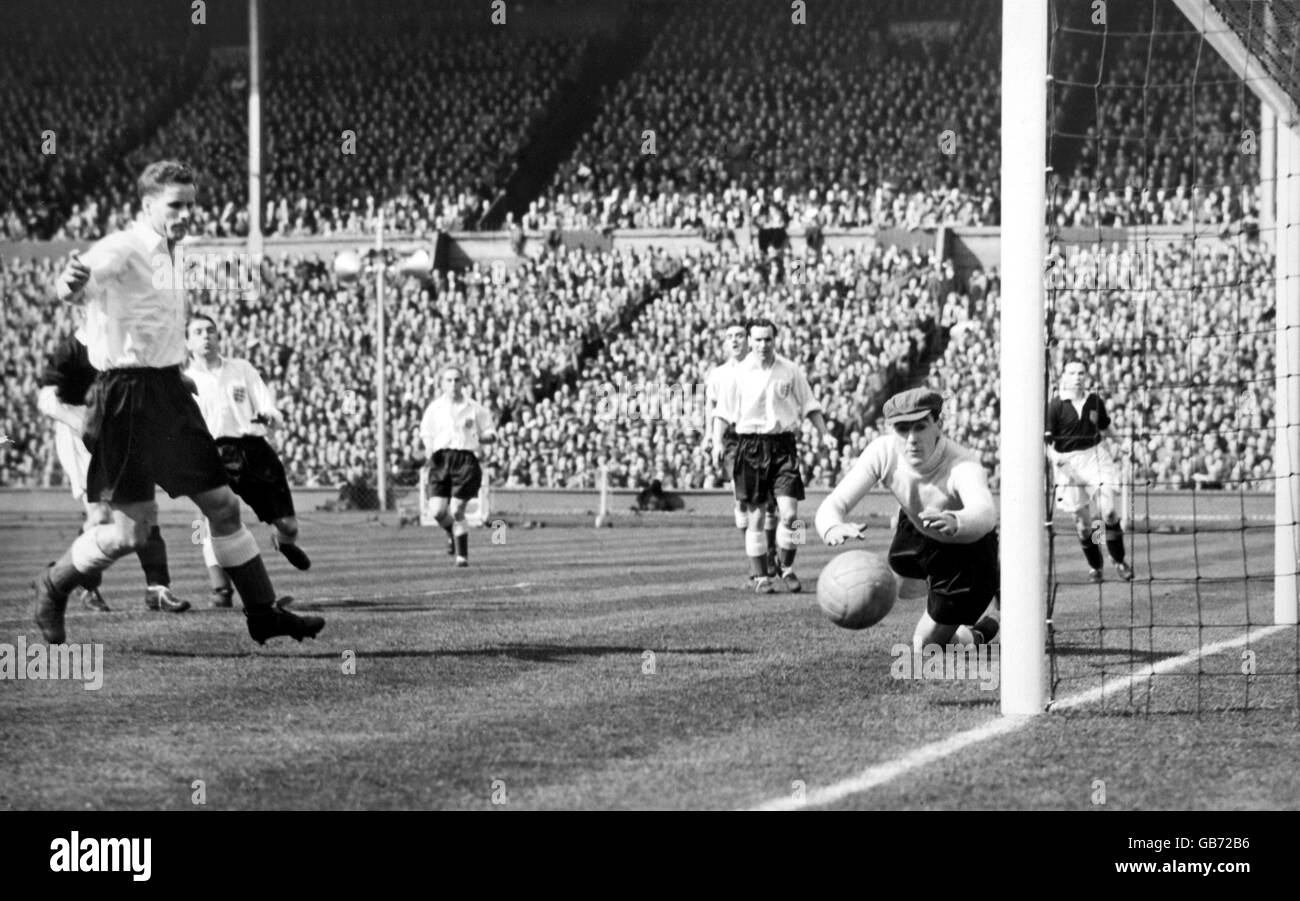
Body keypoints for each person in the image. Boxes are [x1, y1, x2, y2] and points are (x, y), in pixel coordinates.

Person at [34, 159, 323, 645]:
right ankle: (54, 584)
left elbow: (161, 329)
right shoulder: (123, 247)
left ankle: (263, 613)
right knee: (131, 535)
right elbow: (74, 286)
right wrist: (70, 280)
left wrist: (178, 375)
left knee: (224, 506)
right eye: (175, 205)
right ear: (147, 206)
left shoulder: (175, 256)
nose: (186, 213)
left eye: (190, 204)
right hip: (126, 399)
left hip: (170, 391)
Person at [816, 388, 1000, 651]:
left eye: (920, 427)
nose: (911, 439)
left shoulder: (962, 463)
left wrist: (957, 521)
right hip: (917, 528)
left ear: (939, 424)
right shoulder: (883, 451)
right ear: (892, 430)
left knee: (925, 646)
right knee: (900, 589)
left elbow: (984, 512)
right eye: (902, 429)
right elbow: (834, 503)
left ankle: (984, 626)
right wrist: (833, 526)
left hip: (966, 552)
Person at [36, 320, 191, 614]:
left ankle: (157, 588)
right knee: (100, 516)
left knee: (145, 510)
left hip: (123, 423)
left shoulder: (124, 337)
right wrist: (78, 422)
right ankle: (84, 586)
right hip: (79, 432)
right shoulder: (72, 347)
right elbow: (45, 398)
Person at [186, 313, 311, 609]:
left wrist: (270, 415)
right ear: (188, 342)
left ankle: (284, 541)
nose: (206, 336)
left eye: (211, 331)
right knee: (214, 518)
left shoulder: (241, 368)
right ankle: (221, 589)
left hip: (254, 450)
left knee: (289, 524)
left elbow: (266, 403)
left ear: (219, 337)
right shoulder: (185, 380)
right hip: (211, 452)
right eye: (199, 332)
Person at [712, 318, 827, 594]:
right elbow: (722, 412)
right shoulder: (737, 374)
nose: (763, 344)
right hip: (749, 446)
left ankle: (787, 567)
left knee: (792, 515)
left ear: (776, 340)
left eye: (768, 339)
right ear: (750, 341)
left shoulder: (790, 370)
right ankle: (761, 576)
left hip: (783, 446)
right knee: (757, 517)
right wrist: (717, 441)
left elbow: (810, 404)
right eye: (758, 339)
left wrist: (825, 433)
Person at [1046, 358, 1133, 582]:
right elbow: (1045, 443)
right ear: (1063, 376)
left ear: (1086, 376)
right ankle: (1096, 565)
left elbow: (1105, 426)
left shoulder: (1094, 401)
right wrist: (1056, 459)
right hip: (1068, 465)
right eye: (1072, 373)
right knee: (1085, 526)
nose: (1077, 377)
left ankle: (1119, 560)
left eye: (1081, 373)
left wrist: (1122, 442)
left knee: (1108, 512)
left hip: (1095, 458)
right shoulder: (1055, 406)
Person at [419, 366, 496, 567]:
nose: (453, 384)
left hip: (465, 460)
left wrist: (481, 437)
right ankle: (452, 532)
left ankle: (462, 556)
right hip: (441, 460)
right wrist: (428, 447)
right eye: (449, 380)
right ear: (442, 384)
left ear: (463, 383)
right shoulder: (434, 408)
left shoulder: (475, 408)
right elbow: (426, 432)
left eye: (457, 380)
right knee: (437, 511)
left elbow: (491, 433)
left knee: (457, 509)